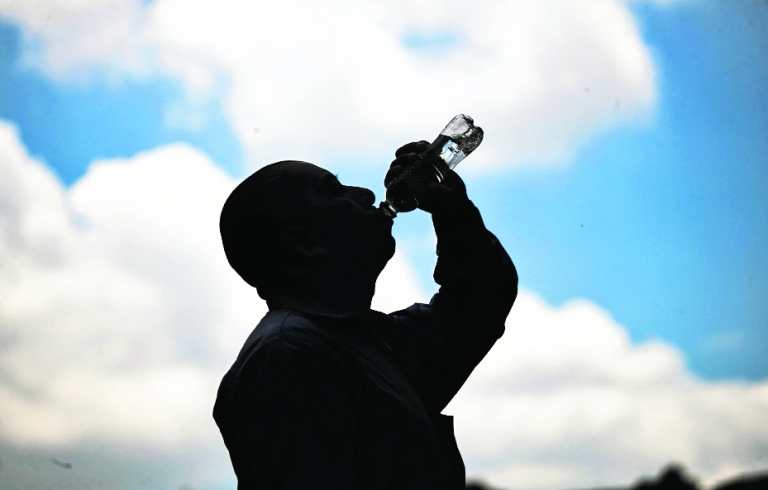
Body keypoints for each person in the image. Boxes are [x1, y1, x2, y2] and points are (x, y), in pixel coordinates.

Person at [213, 140, 518, 489]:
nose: (366, 194)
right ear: (305, 243)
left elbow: (480, 299)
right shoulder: (287, 353)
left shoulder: (368, 343)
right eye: (333, 191)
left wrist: (453, 211)